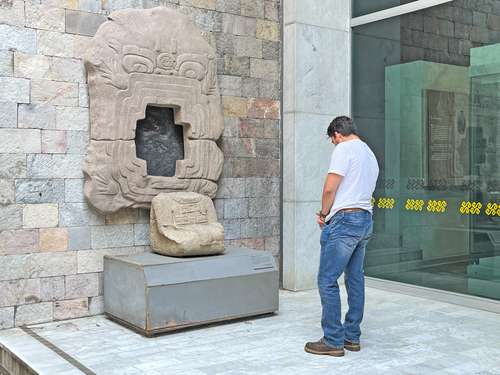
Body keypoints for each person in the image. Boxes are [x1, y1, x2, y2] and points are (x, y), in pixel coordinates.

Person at [304, 116, 379, 357]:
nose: (334, 145)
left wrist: (324, 214)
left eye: (333, 141)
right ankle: (352, 337)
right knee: (355, 279)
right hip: (365, 219)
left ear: (337, 134)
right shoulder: (369, 153)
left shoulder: (344, 148)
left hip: (345, 220)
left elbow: (329, 188)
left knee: (327, 280)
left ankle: (333, 340)